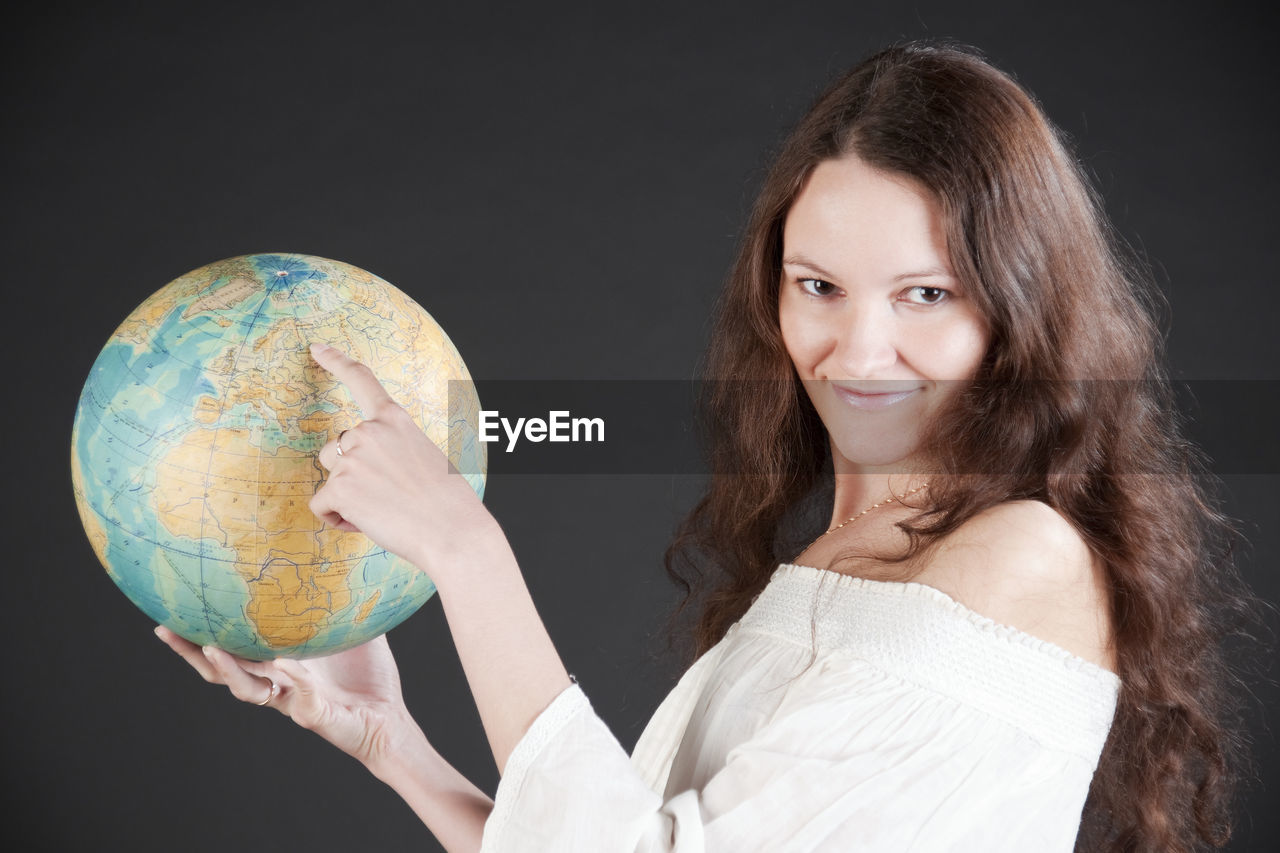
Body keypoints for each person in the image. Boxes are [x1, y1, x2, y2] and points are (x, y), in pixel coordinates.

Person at [153, 39, 1260, 852]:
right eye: (817, 286)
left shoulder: (1020, 561)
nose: (858, 349)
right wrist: (386, 735)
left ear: (1016, 308)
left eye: (926, 293)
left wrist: (463, 549)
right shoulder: (837, 551)